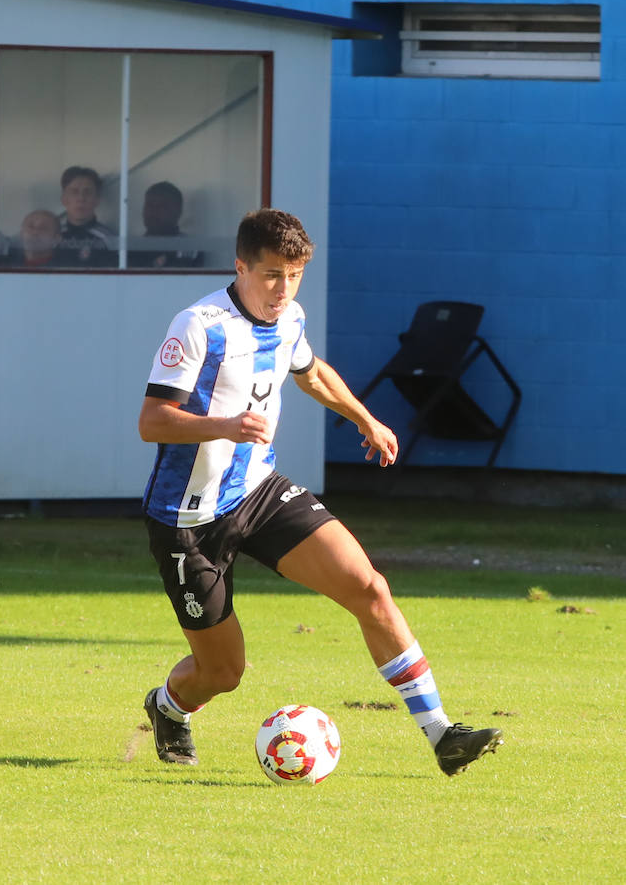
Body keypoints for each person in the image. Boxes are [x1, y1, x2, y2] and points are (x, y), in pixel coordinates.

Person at [138, 208, 502, 777]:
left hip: (259, 491)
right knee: (223, 673)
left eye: (295, 275)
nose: (284, 289)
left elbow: (309, 371)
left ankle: (441, 734)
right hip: (187, 520)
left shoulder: (290, 318)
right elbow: (153, 420)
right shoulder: (198, 325)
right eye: (271, 275)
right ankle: (168, 705)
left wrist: (364, 418)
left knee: (369, 588)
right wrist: (224, 425)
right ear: (241, 267)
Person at [130, 181, 205, 268]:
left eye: (162, 206)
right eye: (149, 205)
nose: (153, 211)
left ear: (178, 211)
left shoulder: (191, 249)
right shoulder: (131, 250)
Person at [56, 165, 116, 266]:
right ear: (64, 199)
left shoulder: (109, 239)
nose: (81, 198)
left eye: (87, 192)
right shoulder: (51, 237)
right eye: (74, 192)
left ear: (97, 199)